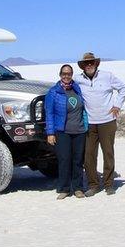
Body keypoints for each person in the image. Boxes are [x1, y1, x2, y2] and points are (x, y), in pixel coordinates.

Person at [74, 51, 125, 196]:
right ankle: (93, 185)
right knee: (89, 156)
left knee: (108, 153)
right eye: (86, 63)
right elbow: (65, 87)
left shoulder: (107, 76)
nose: (89, 65)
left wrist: (117, 105)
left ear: (96, 63)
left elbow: (123, 88)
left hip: (107, 121)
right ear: (83, 66)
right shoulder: (77, 79)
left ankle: (109, 184)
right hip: (89, 123)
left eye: (92, 62)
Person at [44, 64, 88, 200]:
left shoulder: (77, 88)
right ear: (60, 75)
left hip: (79, 130)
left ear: (72, 74)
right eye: (64, 73)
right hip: (62, 131)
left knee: (78, 160)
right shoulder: (53, 92)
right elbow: (49, 113)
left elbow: (84, 107)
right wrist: (50, 133)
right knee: (64, 160)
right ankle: (64, 188)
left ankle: (78, 188)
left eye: (69, 73)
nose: (66, 76)